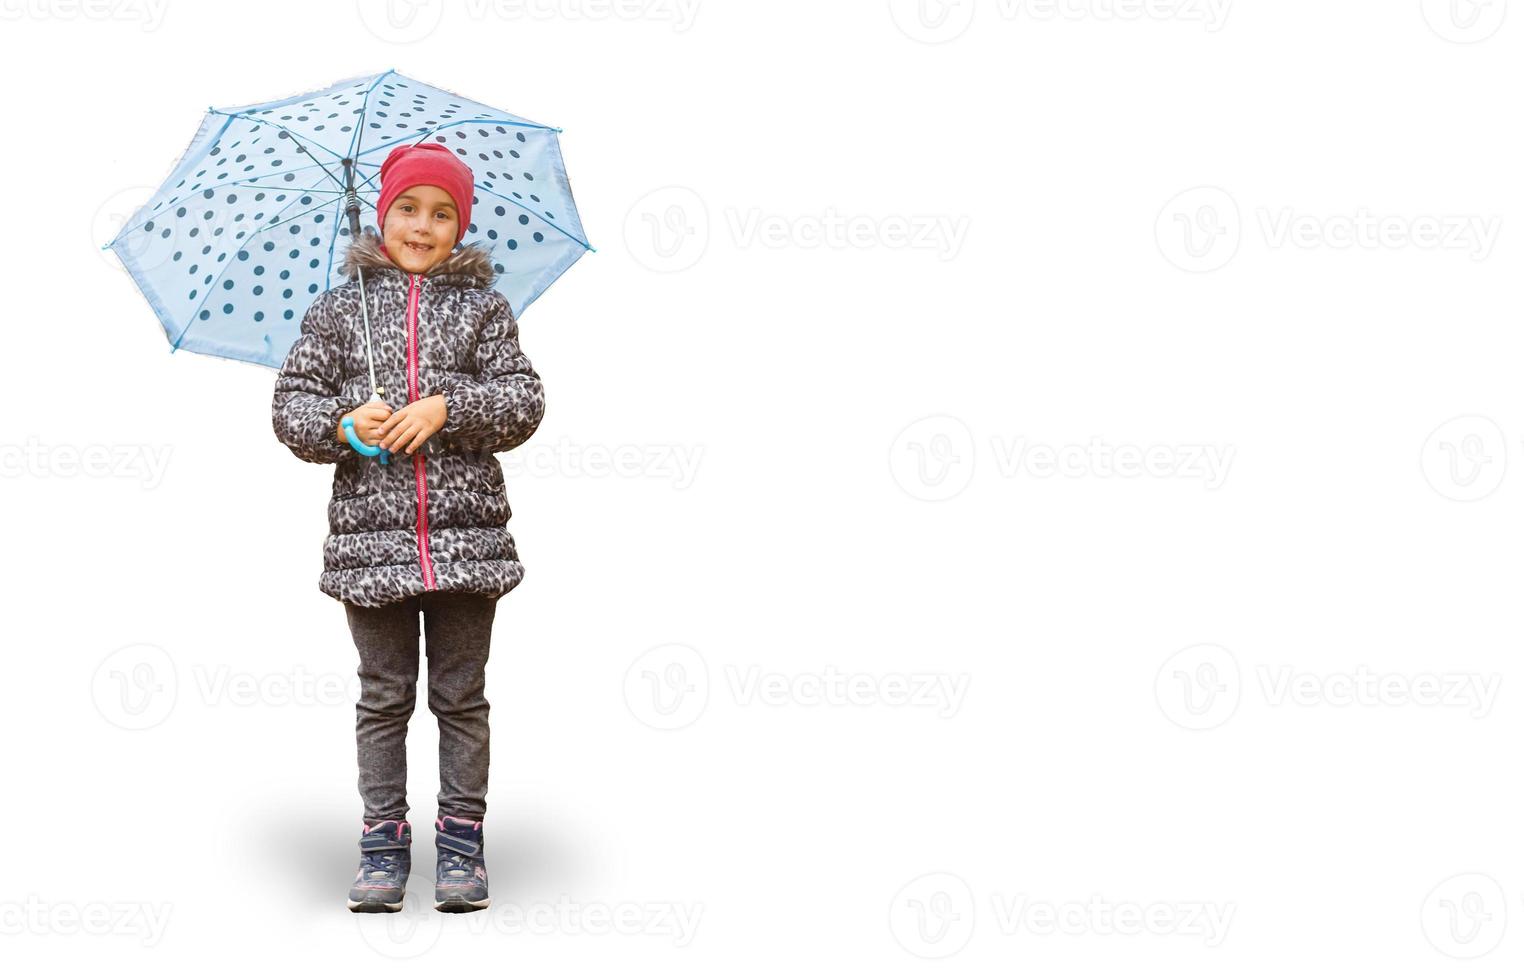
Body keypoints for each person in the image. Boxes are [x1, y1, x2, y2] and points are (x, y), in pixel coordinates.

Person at [270, 141, 545, 913]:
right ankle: (383, 841)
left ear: (462, 227)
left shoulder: (485, 310)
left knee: (460, 696)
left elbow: (523, 402)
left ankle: (462, 842)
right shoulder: (336, 311)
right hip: (372, 548)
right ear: (381, 214)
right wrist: (344, 424)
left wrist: (446, 408)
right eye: (408, 209)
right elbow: (291, 408)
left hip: (468, 545)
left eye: (443, 213)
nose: (422, 226)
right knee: (384, 696)